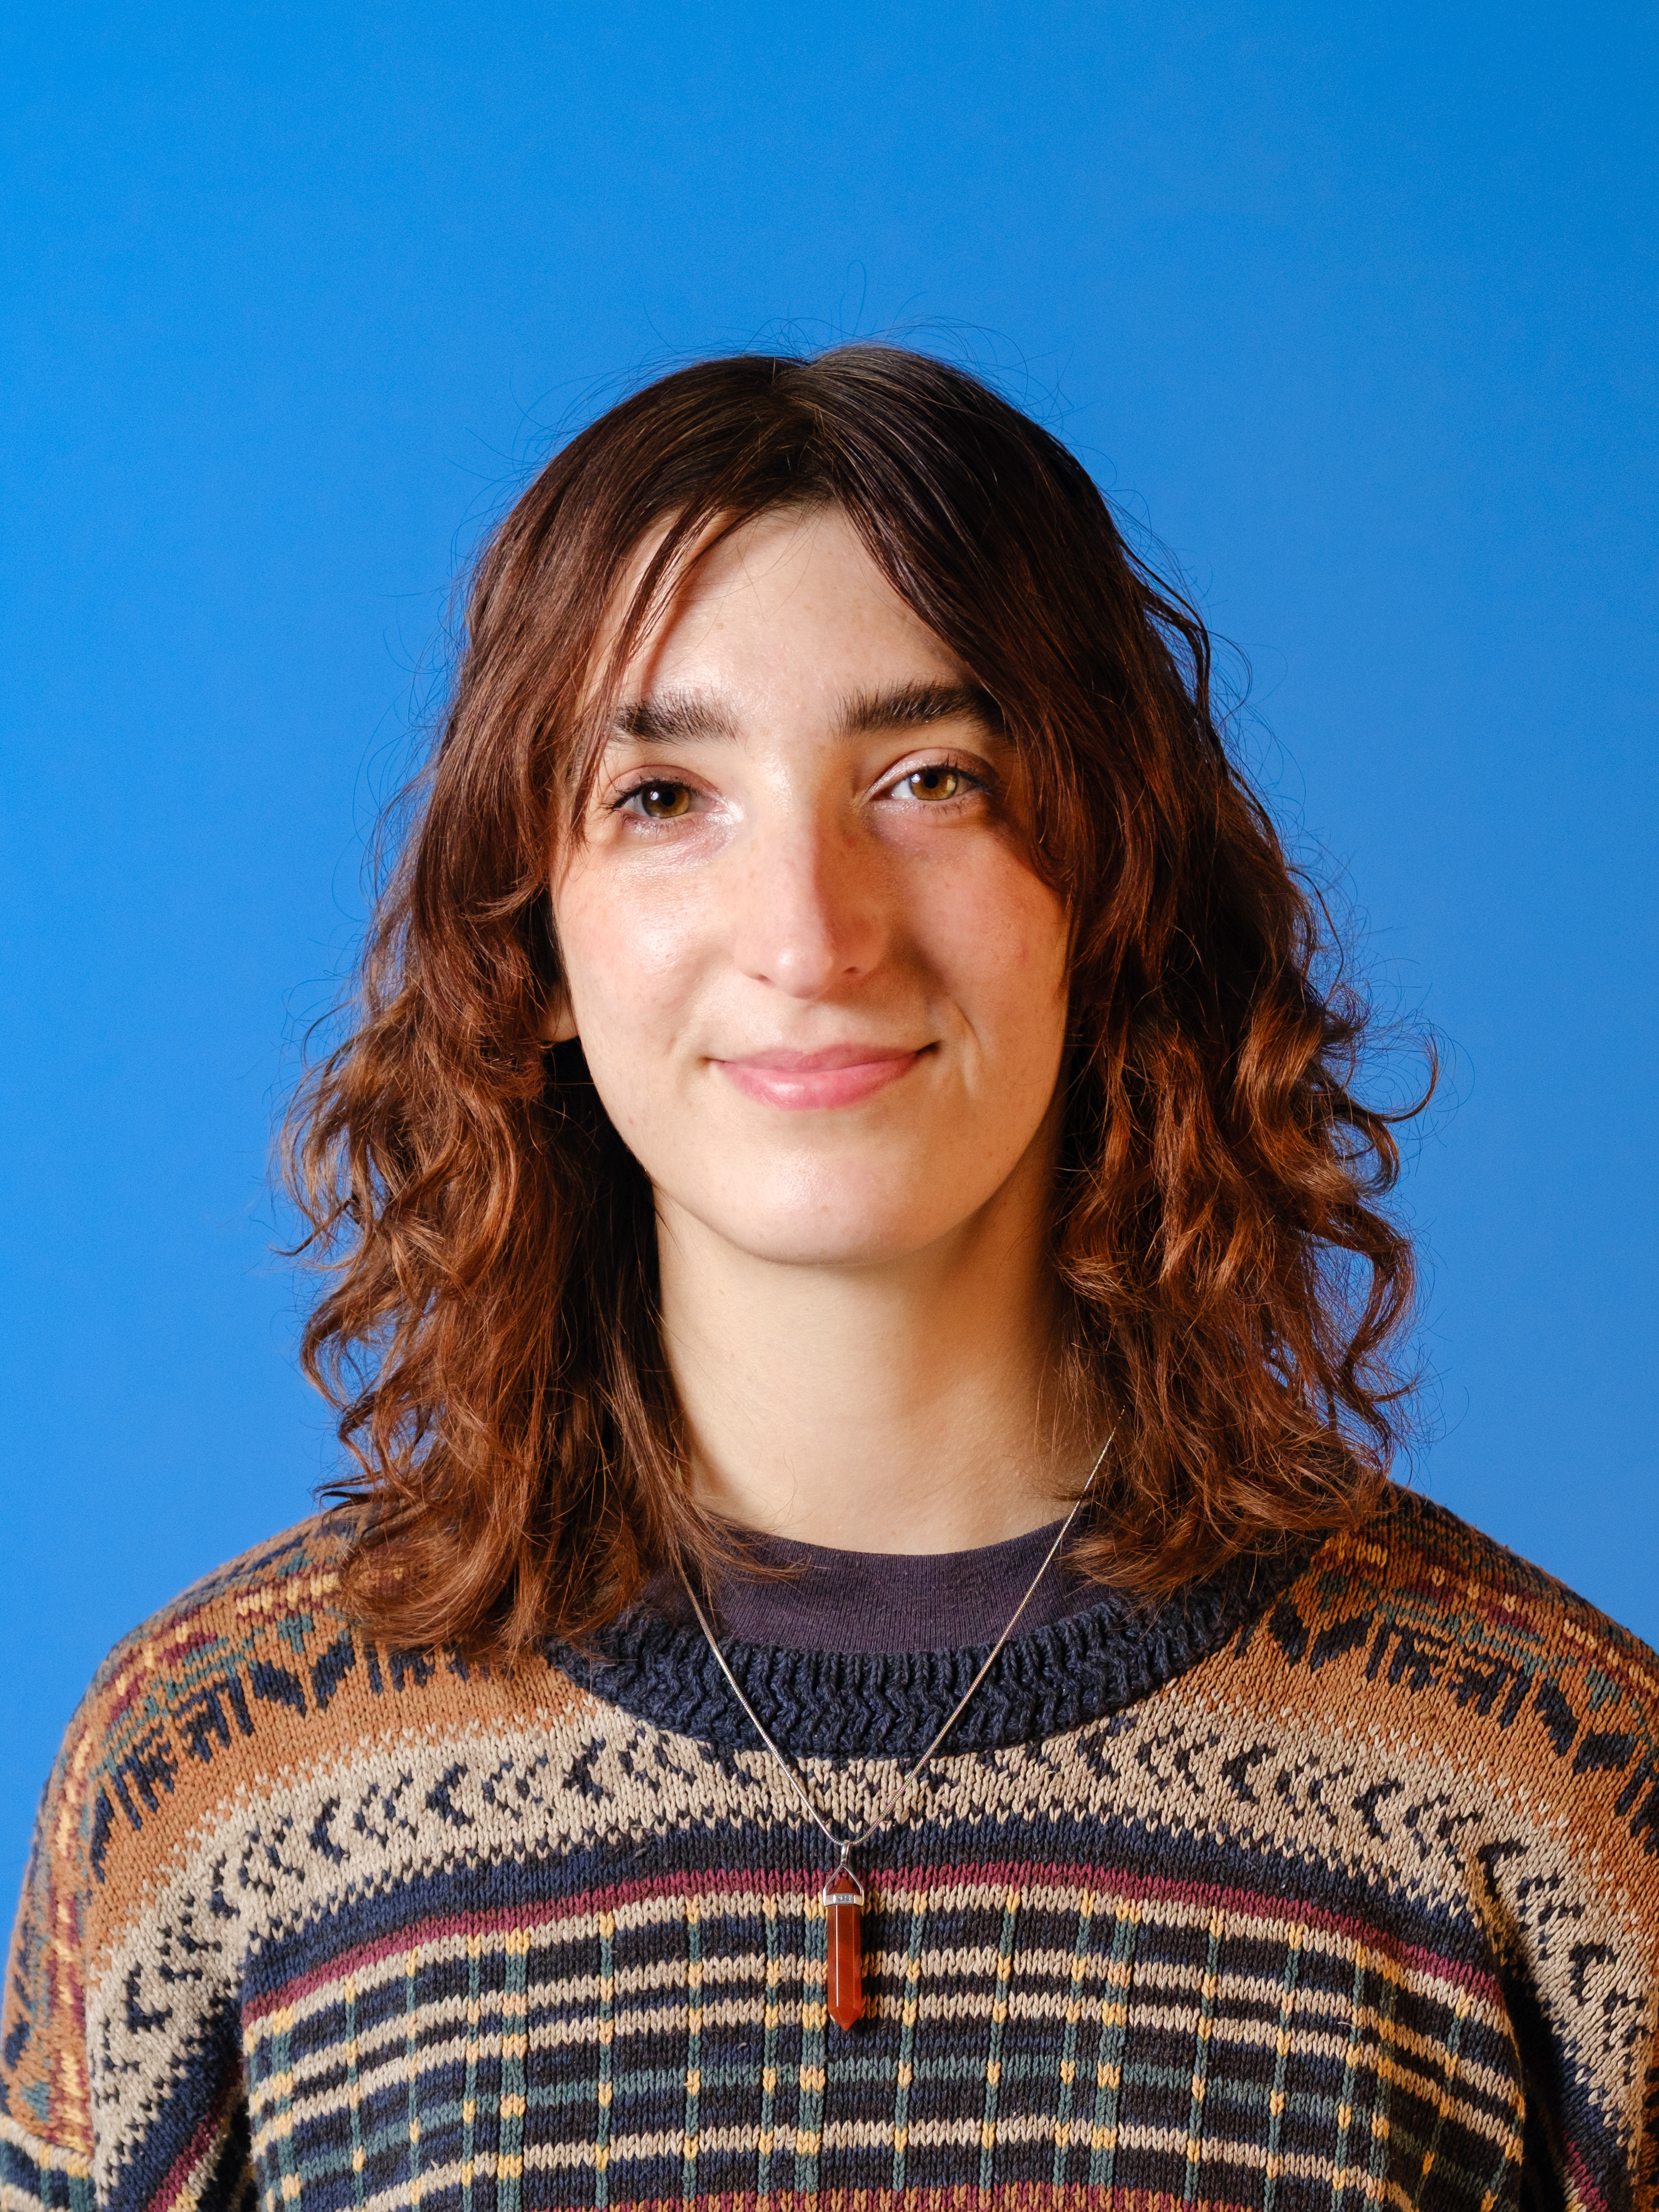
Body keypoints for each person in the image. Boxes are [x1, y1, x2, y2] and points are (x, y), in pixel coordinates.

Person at [2, 346, 1654, 2212]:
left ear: (1110, 884)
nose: (810, 929)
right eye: (662, 795)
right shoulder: (214, 1784)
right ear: (528, 936)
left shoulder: (1553, 1795)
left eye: (929, 778)